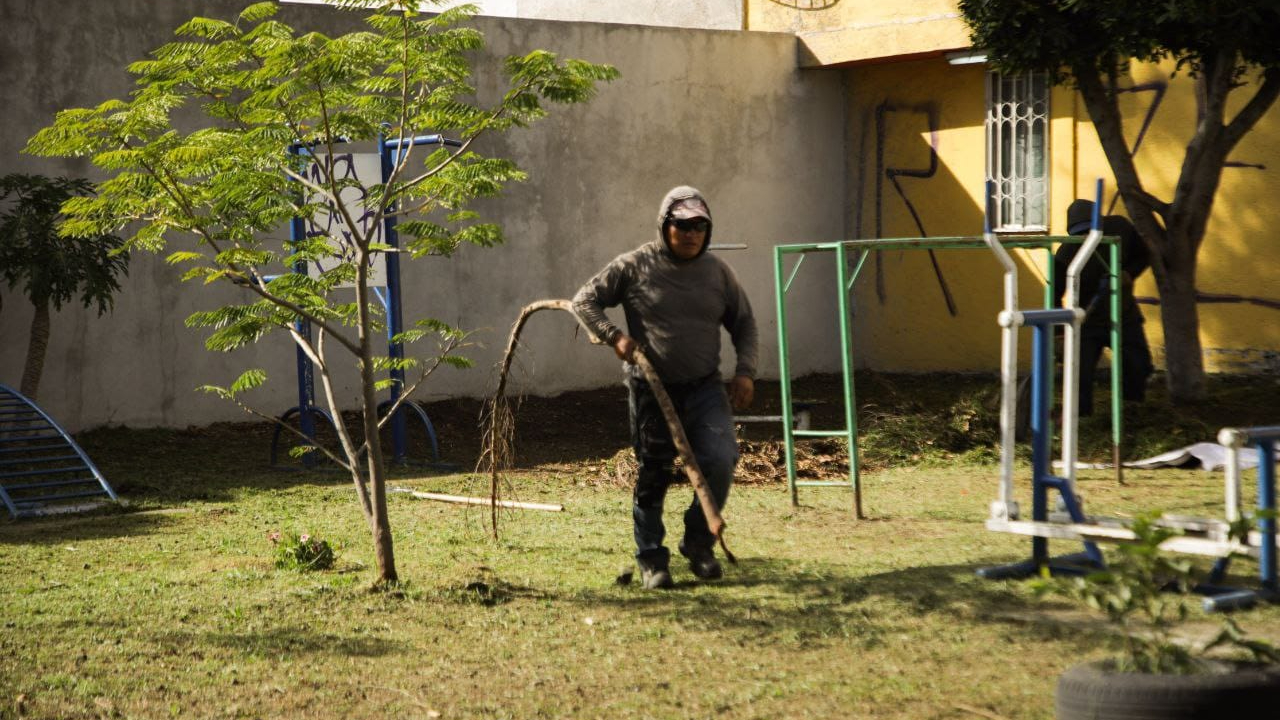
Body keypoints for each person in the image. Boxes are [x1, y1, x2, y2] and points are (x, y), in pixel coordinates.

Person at [573, 186, 758, 590]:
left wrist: (745, 371)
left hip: (705, 388)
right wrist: (613, 336)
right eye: (682, 225)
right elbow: (584, 301)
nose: (691, 233)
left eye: (699, 226)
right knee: (653, 472)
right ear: (665, 225)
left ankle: (698, 544)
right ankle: (652, 560)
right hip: (651, 389)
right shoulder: (635, 266)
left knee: (720, 459)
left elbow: (743, 323)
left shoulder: (718, 273)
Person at [1054, 199, 1155, 415]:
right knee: (1079, 373)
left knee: (1137, 364)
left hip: (1124, 314)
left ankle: (1132, 409)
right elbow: (1054, 294)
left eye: (1089, 232)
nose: (1085, 238)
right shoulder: (1066, 252)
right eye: (1080, 234)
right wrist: (1059, 333)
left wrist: (1128, 274)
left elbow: (1144, 255)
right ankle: (1080, 417)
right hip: (1087, 322)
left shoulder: (1121, 229)